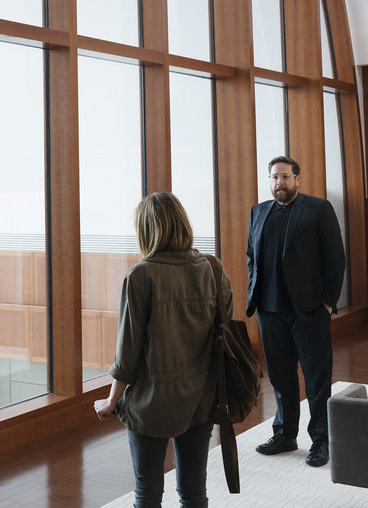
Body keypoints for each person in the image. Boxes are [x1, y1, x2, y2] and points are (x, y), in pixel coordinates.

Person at [94, 192, 233, 508]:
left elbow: (127, 353)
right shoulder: (212, 267)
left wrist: (111, 401)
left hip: (150, 403)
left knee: (147, 492)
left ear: (146, 230)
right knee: (194, 491)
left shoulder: (141, 275)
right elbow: (226, 333)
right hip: (200, 398)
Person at [246, 155, 345, 468]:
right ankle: (285, 435)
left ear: (297, 179)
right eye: (275, 177)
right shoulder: (258, 212)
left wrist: (327, 303)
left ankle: (321, 441)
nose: (280, 183)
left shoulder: (318, 209)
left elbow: (336, 259)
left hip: (309, 311)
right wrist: (255, 293)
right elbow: (251, 255)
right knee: (281, 378)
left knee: (317, 380)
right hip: (269, 310)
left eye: (286, 177)